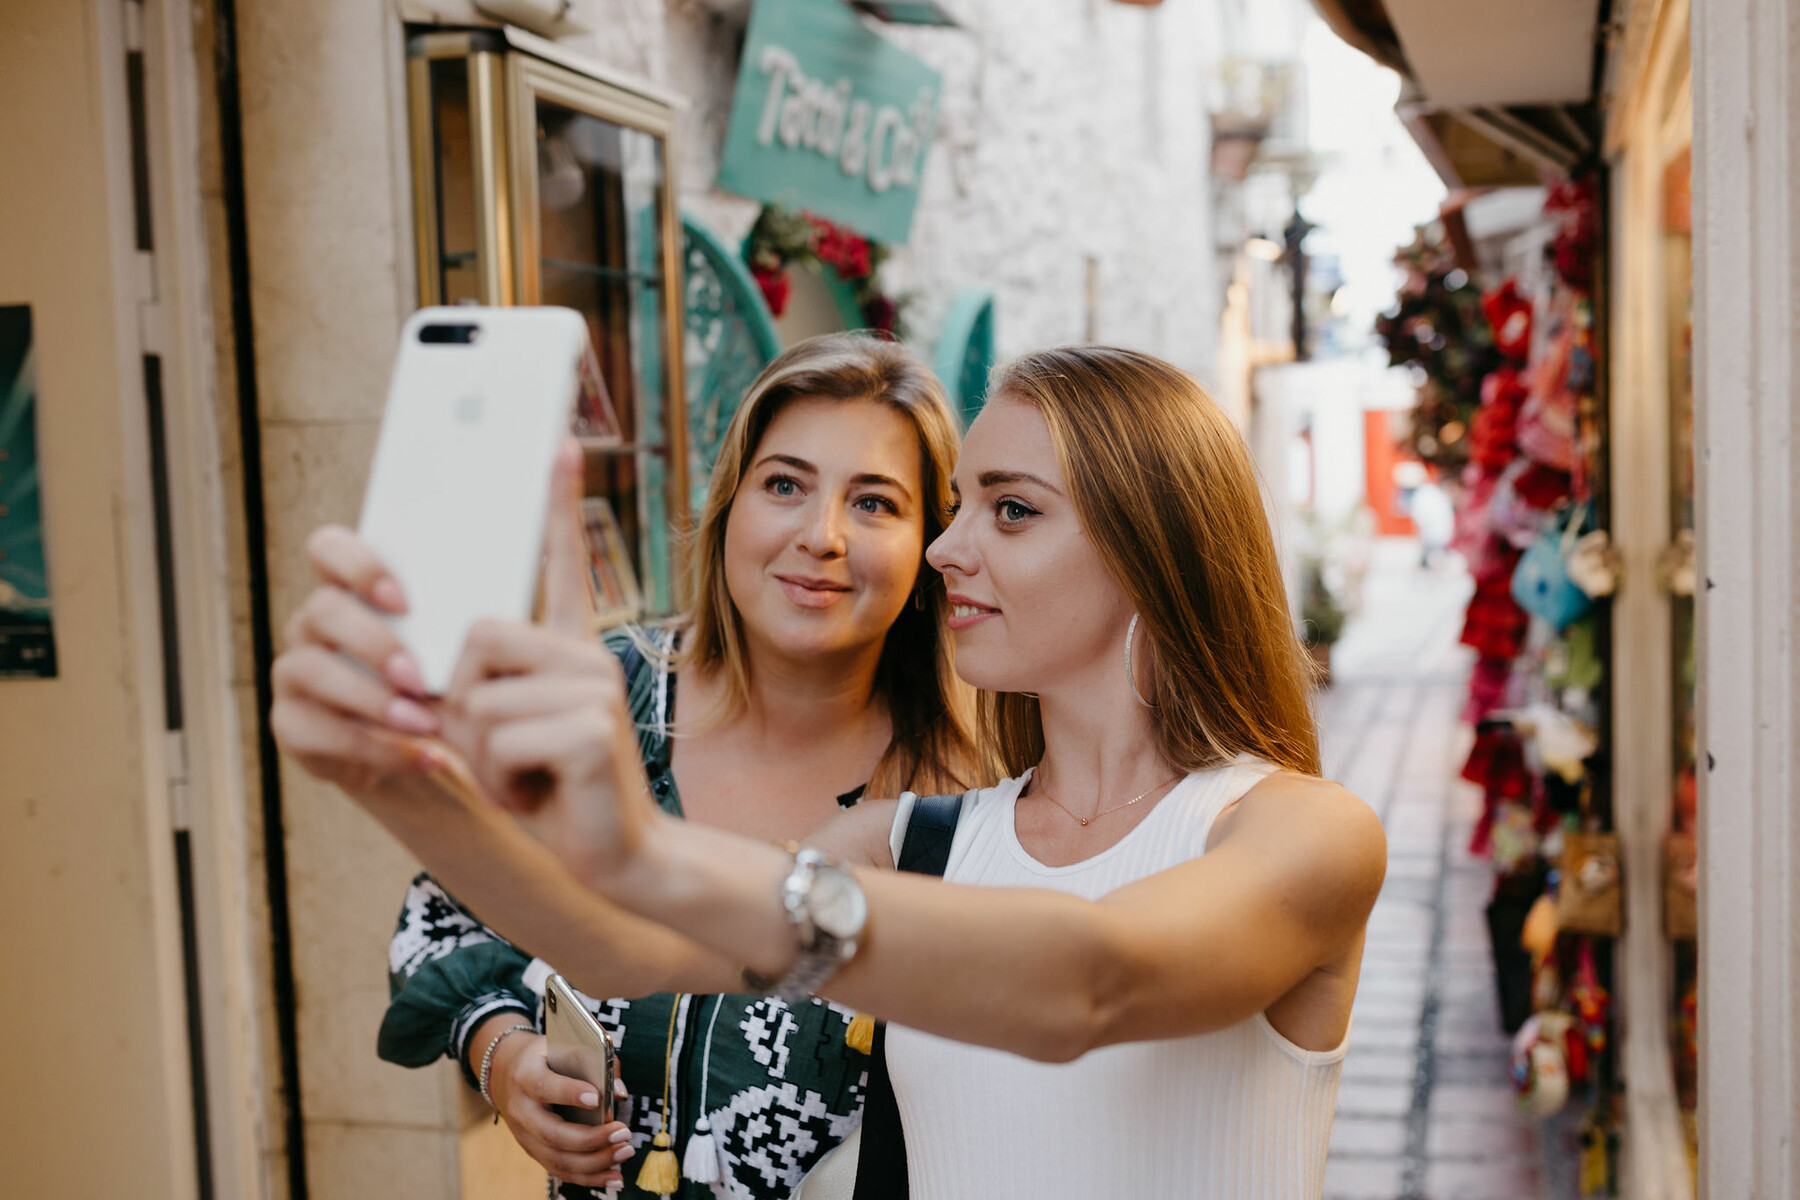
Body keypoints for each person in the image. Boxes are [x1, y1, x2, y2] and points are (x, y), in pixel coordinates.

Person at [289, 345, 1387, 1199]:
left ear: (1158, 545)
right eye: (956, 507)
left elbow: (1087, 980)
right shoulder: (925, 839)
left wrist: (644, 846)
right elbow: (613, 948)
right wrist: (392, 771)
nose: (948, 550)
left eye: (1009, 510)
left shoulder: (1304, 833)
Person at [273, 333, 985, 1198]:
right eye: (786, 485)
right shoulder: (604, 694)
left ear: (928, 553)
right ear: (730, 510)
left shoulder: (966, 796)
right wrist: (505, 1056)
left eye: (875, 503)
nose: (822, 535)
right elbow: (448, 915)